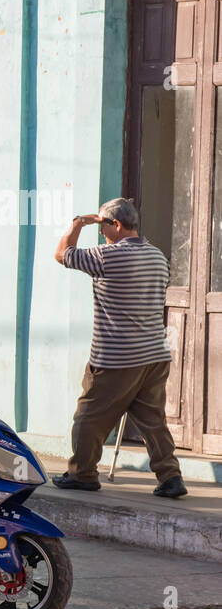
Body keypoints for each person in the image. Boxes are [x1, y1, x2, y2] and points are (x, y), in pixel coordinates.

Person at [53, 198, 186, 498]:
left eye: (102, 225)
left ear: (116, 224)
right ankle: (171, 477)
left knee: (88, 416)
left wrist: (78, 223)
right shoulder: (158, 257)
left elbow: (62, 254)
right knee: (153, 422)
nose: (100, 232)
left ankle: (83, 473)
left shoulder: (106, 257)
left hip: (116, 357)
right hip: (153, 354)